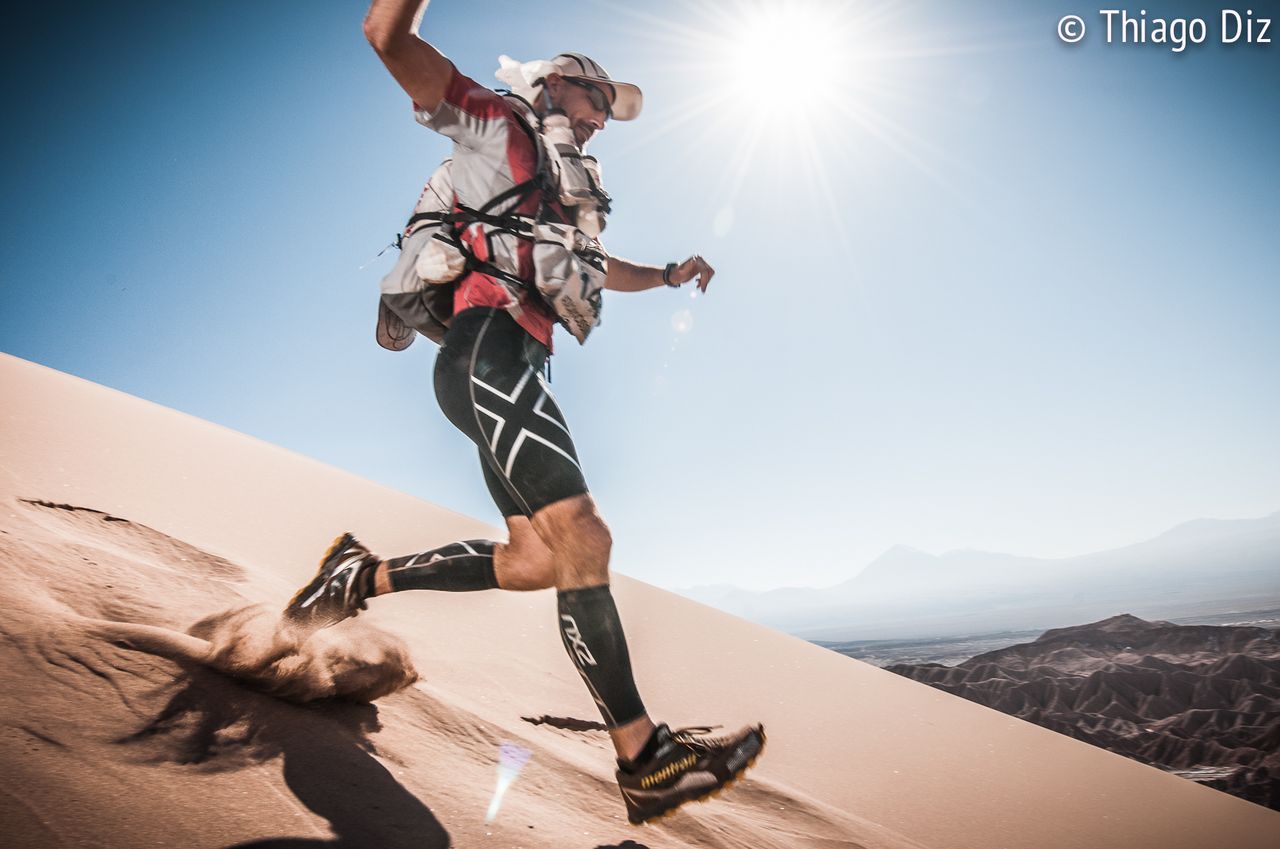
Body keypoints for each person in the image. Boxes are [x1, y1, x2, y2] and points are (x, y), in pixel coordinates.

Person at [283, 0, 764, 826]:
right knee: (585, 537)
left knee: (535, 559)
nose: (604, 119)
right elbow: (386, 37)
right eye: (598, 98)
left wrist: (666, 273)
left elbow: (596, 265)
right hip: (488, 354)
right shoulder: (497, 127)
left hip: (508, 367)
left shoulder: (563, 191)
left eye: (611, 111)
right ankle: (644, 757)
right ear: (556, 84)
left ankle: (359, 574)